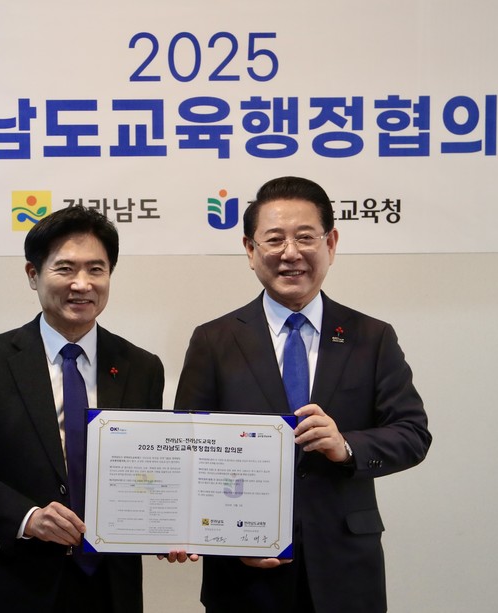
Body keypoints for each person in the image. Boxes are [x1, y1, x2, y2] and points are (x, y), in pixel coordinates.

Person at [174, 176, 432, 613]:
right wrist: (225, 540)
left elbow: (412, 434)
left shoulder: (372, 337)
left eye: (305, 237)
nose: (290, 253)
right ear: (250, 250)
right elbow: (188, 450)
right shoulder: (213, 340)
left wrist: (346, 446)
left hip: (345, 568)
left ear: (331, 243)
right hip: (244, 574)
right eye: (274, 239)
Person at [0, 205, 164, 613]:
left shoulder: (142, 367)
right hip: (17, 582)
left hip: (112, 587)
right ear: (33, 274)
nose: (82, 284)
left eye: (96, 269)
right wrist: (28, 517)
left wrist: (170, 525)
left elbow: (150, 469)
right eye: (65, 269)